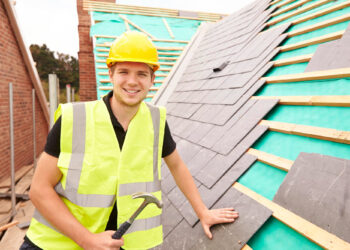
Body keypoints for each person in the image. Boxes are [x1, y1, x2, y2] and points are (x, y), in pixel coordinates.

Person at [20, 31, 238, 250]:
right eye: (124, 71)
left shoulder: (155, 121)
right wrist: (87, 239)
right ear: (111, 75)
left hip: (122, 243)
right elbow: (39, 190)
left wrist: (203, 212)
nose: (132, 82)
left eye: (142, 74)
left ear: (152, 79)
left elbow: (177, 165)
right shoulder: (74, 119)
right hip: (57, 243)